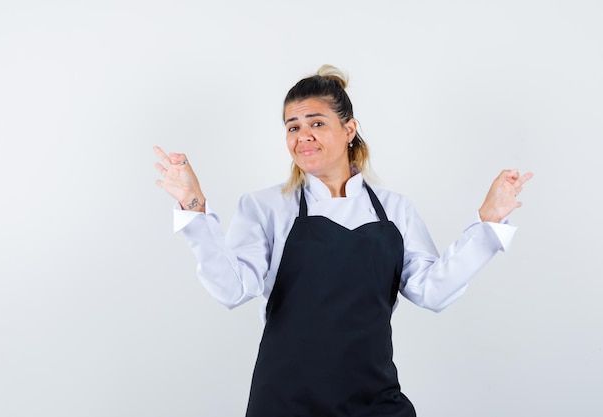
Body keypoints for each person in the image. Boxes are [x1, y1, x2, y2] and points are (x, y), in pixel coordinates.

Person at [153, 64, 533, 417]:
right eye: (292, 127)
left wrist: (489, 223)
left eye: (316, 122)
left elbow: (431, 291)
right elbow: (232, 290)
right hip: (286, 401)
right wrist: (193, 207)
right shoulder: (265, 206)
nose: (303, 136)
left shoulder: (394, 209)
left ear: (349, 129)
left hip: (375, 399)